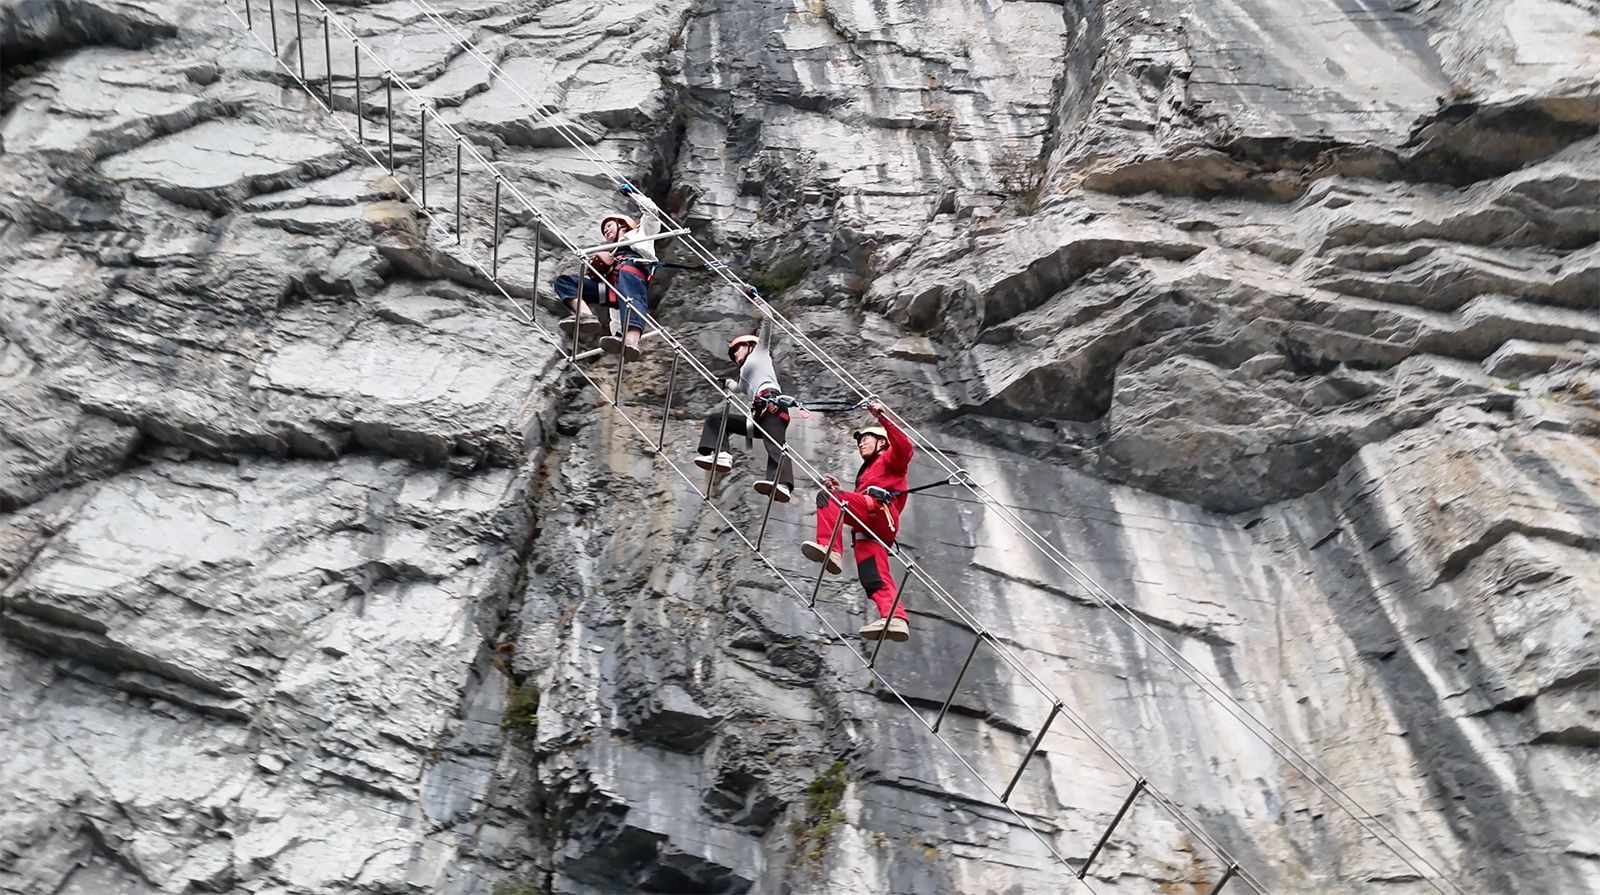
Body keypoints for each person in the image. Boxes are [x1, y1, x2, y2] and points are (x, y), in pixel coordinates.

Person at [801, 399, 914, 642]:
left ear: (882, 442)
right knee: (872, 577)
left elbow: (905, 448)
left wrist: (883, 417)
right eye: (860, 439)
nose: (861, 441)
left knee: (828, 497)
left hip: (879, 513)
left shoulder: (890, 459)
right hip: (873, 525)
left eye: (867, 437)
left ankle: (830, 547)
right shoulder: (871, 470)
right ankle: (895, 617)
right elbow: (863, 497)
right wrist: (843, 491)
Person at [694, 321, 795, 502]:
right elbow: (739, 387)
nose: (735, 354)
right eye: (733, 353)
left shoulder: (761, 353)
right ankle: (722, 454)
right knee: (716, 419)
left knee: (775, 445)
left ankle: (782, 484)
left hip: (772, 406)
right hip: (759, 415)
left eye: (737, 349)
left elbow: (768, 320)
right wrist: (725, 383)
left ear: (750, 346)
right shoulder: (745, 375)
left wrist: (755, 298)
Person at [554, 202, 661, 360]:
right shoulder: (614, 252)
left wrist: (634, 196)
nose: (606, 231)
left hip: (632, 272)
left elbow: (652, 214)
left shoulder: (641, 234)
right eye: (604, 230)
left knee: (631, 297)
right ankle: (584, 314)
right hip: (612, 285)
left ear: (622, 225)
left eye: (609, 226)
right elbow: (617, 309)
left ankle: (631, 341)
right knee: (565, 282)